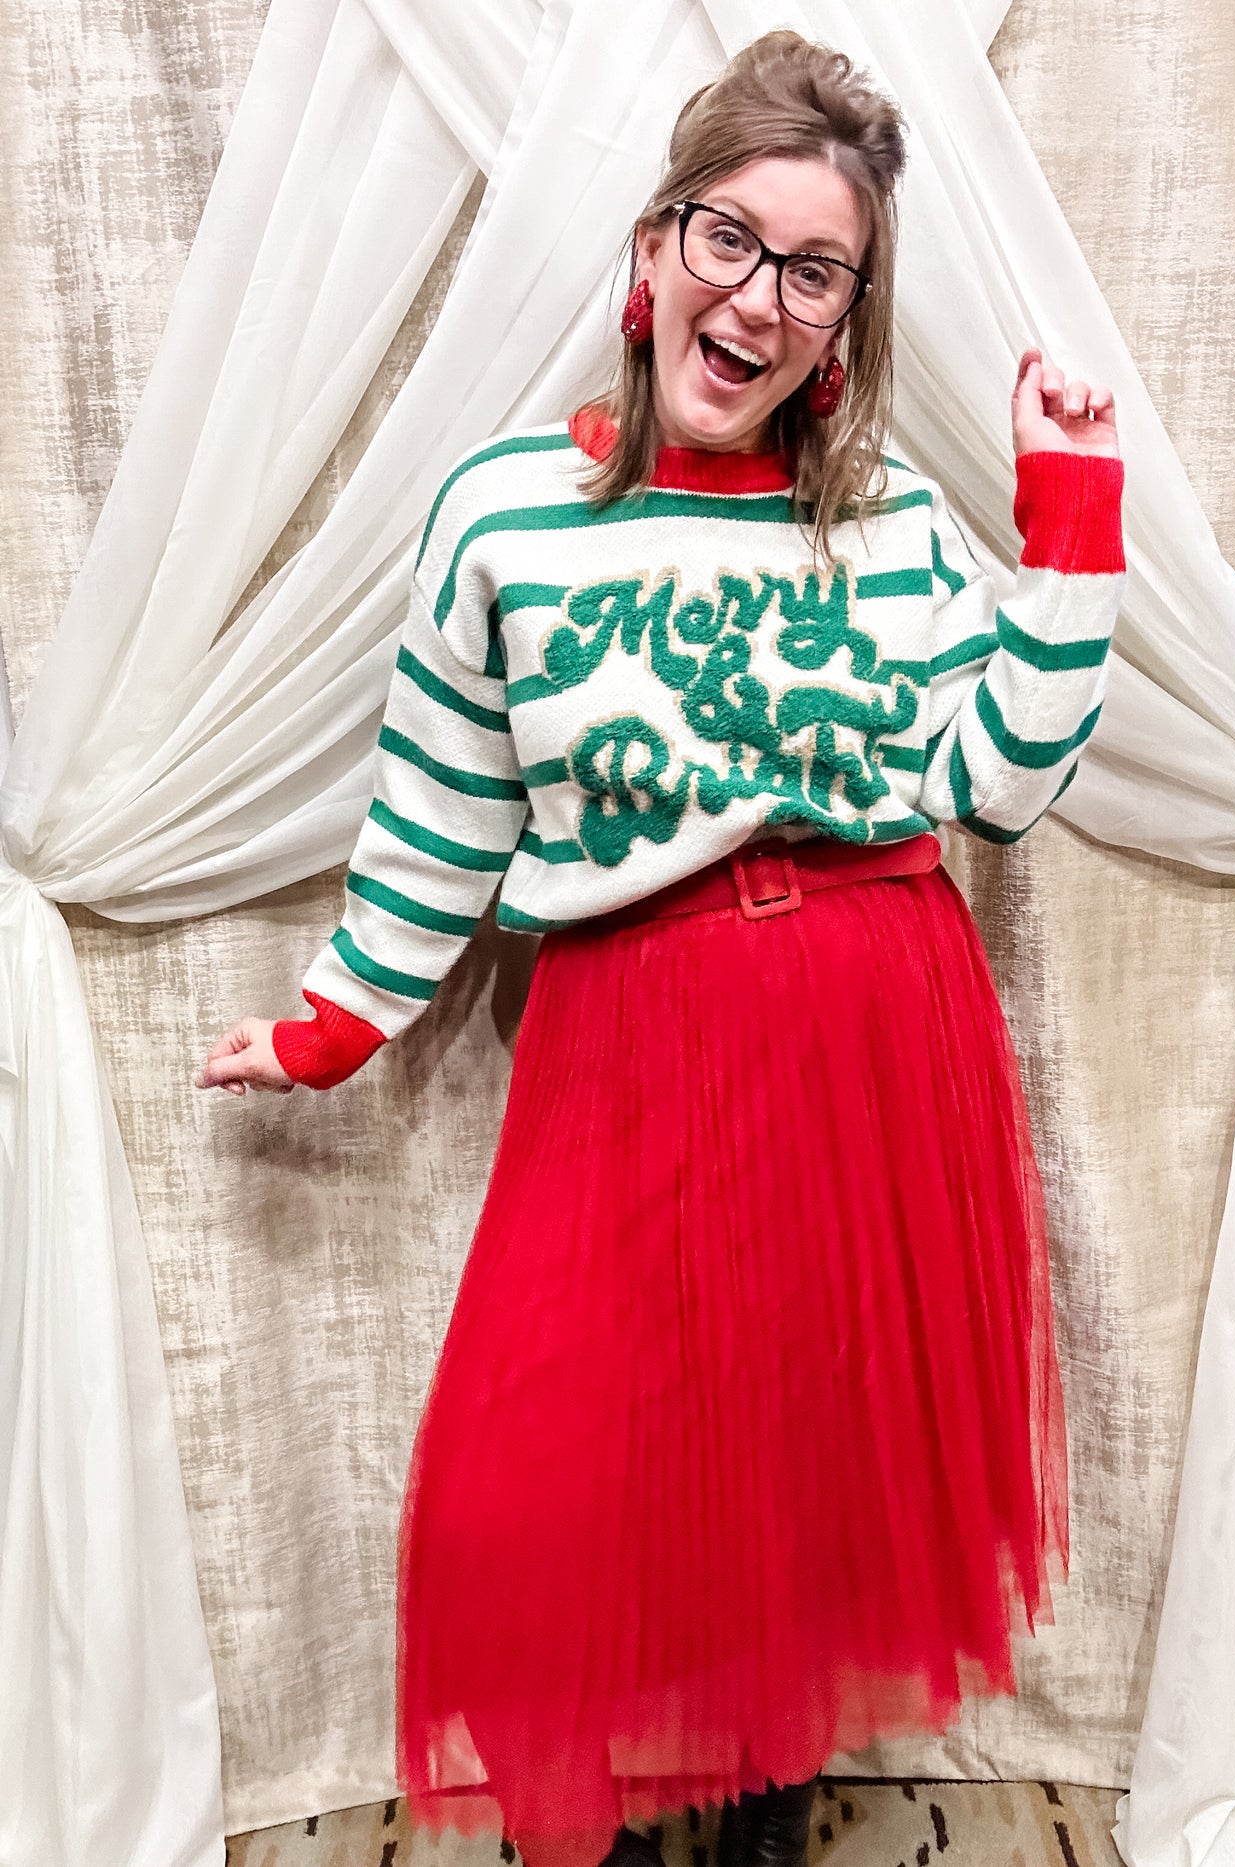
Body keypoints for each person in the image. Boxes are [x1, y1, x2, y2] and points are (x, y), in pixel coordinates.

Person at [198, 29, 1125, 1867]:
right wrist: (329, 1022)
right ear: (651, 253)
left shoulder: (891, 533)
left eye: (814, 271)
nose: (758, 297)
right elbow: (445, 806)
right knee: (586, 1470)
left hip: (877, 1023)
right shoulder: (504, 517)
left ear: (844, 323)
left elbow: (995, 786)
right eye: (729, 240)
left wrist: (1069, 528)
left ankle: (766, 1822)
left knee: (803, 1465)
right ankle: (620, 1814)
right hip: (634, 1026)